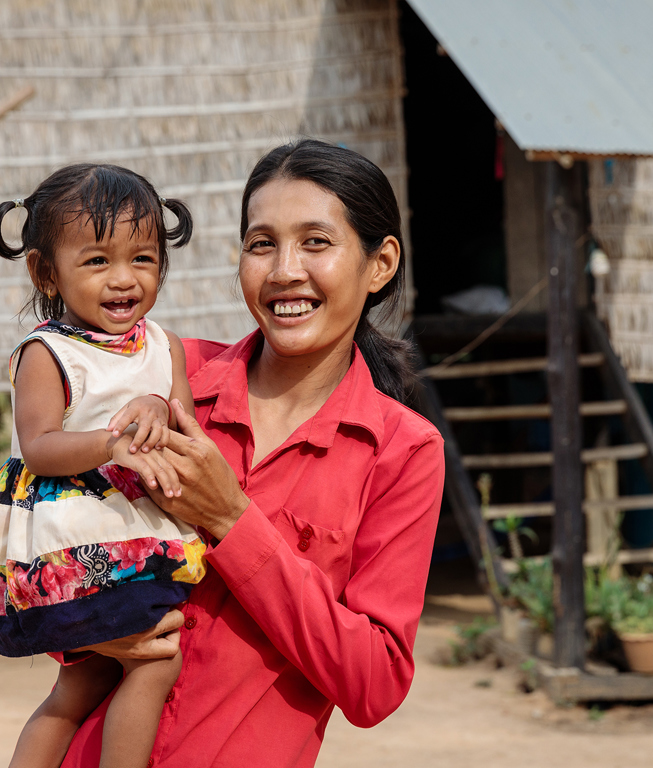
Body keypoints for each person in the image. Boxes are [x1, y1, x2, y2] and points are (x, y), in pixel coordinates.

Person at [59, 139, 446, 768]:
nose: (284, 270)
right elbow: (53, 542)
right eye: (261, 243)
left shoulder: (402, 452)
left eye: (316, 242)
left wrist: (232, 521)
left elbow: (374, 685)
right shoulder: (163, 376)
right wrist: (95, 620)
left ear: (380, 265)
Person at [0, 164, 208, 768]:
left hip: (130, 542)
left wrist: (160, 405)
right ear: (45, 271)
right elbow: (40, 447)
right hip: (68, 547)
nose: (124, 280)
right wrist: (111, 445)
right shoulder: (48, 353)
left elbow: (187, 427)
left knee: (81, 686)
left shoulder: (164, 346)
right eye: (98, 261)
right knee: (154, 660)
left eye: (144, 259)